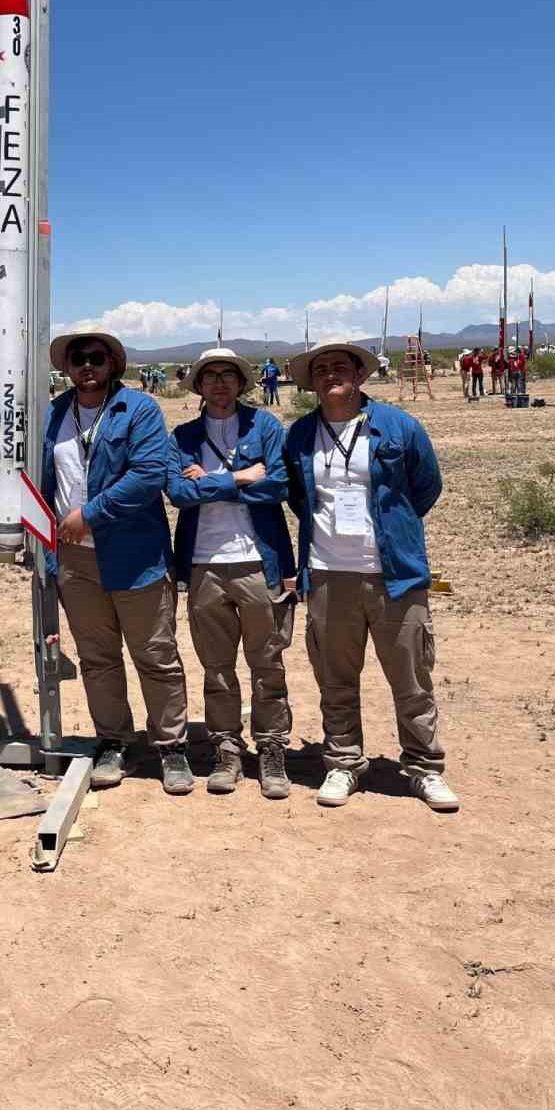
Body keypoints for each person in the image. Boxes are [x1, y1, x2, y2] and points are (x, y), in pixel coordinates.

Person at [283, 341, 457, 812]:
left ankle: (424, 768)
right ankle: (343, 763)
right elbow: (300, 496)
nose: (331, 374)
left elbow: (426, 486)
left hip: (394, 576)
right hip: (327, 576)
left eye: (341, 366)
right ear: (311, 381)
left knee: (411, 679)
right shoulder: (299, 434)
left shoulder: (398, 426)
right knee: (336, 679)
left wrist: (394, 529)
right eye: (321, 369)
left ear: (360, 376)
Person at [42, 330, 193, 795]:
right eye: (78, 359)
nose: (87, 366)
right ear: (66, 368)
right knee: (97, 657)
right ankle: (113, 740)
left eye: (96, 358)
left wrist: (89, 515)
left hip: (135, 556)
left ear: (113, 364)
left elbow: (148, 475)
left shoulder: (139, 409)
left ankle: (171, 747)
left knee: (155, 654)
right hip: (75, 561)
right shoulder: (52, 414)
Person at [166, 350, 296, 799]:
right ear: (199, 385)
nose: (219, 383)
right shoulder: (183, 435)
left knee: (267, 663)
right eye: (210, 376)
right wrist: (239, 478)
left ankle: (272, 747)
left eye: (228, 376)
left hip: (258, 561)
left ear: (242, 383)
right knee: (217, 668)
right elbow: (180, 493)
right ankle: (226, 748)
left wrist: (210, 482)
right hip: (203, 563)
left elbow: (279, 485)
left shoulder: (265, 427)